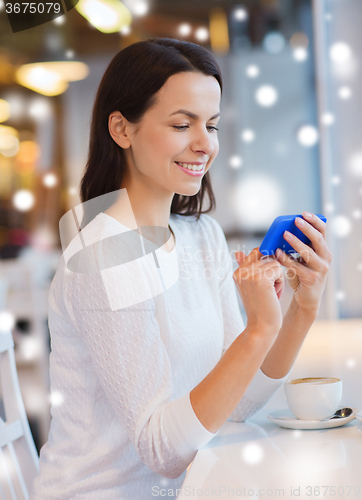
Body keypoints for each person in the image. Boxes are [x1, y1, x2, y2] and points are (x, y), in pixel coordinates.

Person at [29, 37, 332, 500]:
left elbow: (236, 405)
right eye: (180, 124)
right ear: (122, 129)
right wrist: (256, 331)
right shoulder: (104, 250)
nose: (203, 144)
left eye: (210, 125)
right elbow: (162, 449)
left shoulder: (201, 236)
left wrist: (301, 310)